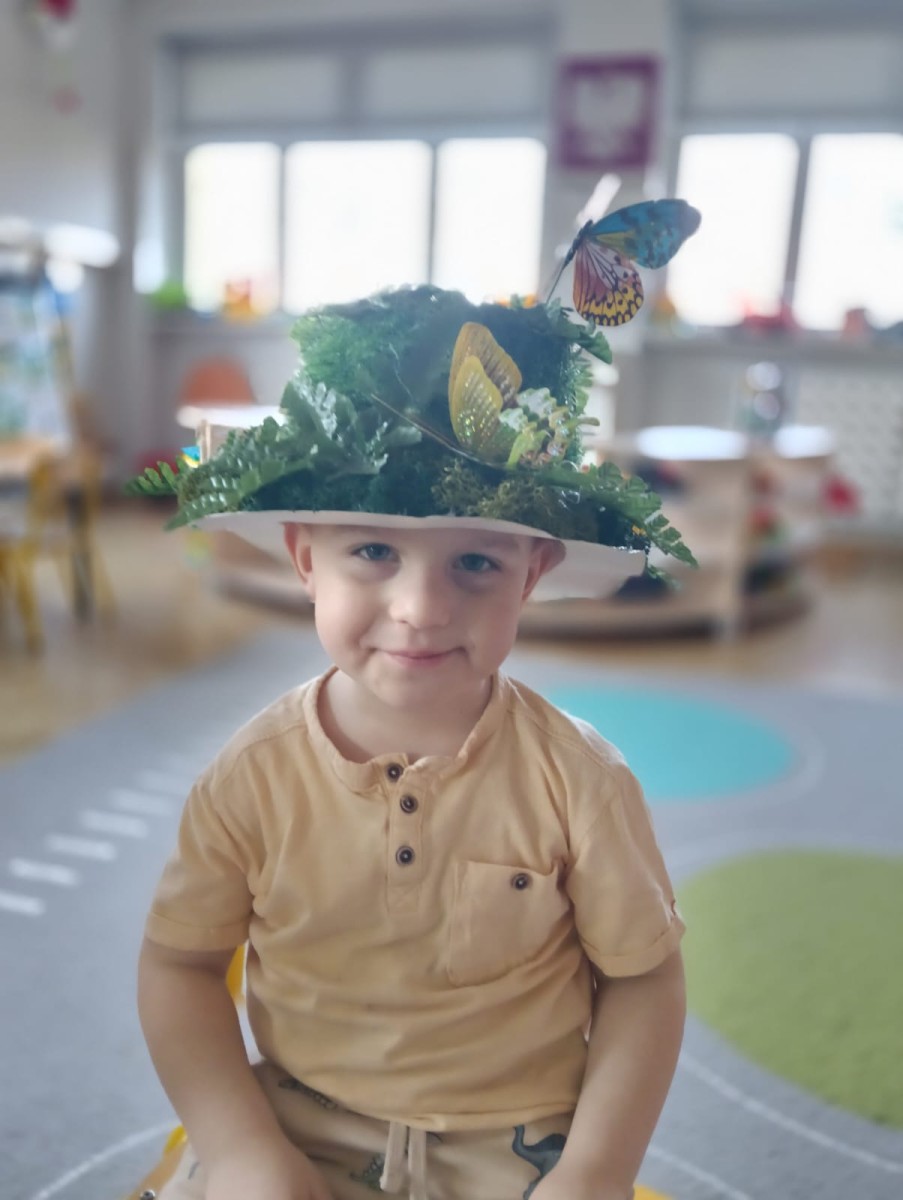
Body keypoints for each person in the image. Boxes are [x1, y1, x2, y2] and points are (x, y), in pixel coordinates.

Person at [135, 285, 693, 1200]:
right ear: (305, 557)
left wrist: (595, 1170)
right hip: (297, 1124)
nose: (422, 609)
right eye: (373, 553)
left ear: (531, 573)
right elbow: (179, 965)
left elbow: (643, 980)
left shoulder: (579, 780)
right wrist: (238, 1149)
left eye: (474, 562)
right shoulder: (250, 777)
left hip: (518, 1144)